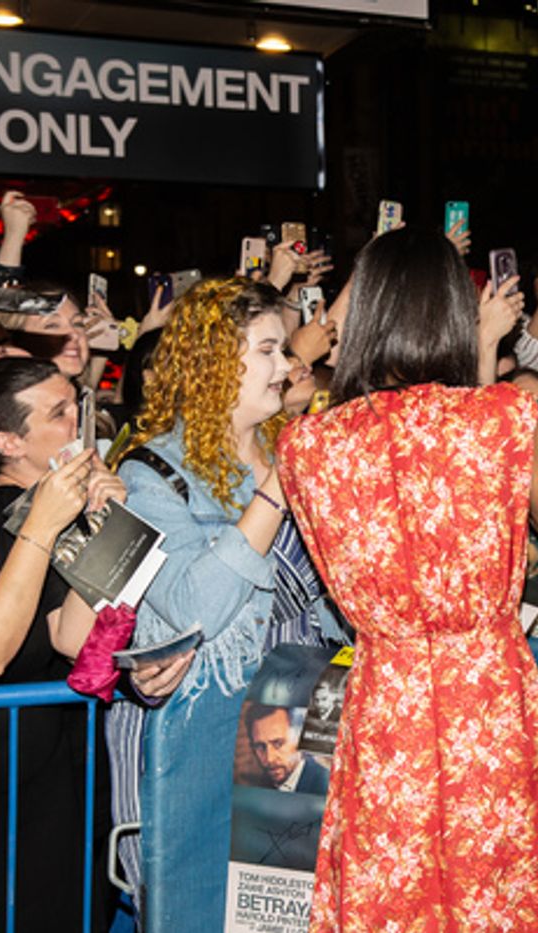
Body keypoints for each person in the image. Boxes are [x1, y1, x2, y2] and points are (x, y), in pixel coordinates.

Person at [276, 227, 538, 931]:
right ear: (456, 312)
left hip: (386, 701)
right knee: (503, 894)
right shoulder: (504, 416)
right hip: (488, 697)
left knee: (392, 895)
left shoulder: (307, 443)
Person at [116, 278, 341, 932]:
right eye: (268, 350)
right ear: (215, 361)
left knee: (292, 917)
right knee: (195, 912)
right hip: (202, 738)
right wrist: (273, 493)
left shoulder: (298, 451)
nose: (288, 366)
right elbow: (195, 607)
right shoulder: (149, 474)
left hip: (302, 720)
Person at [0, 358, 126, 933]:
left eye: (78, 409)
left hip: (41, 767)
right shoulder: (3, 514)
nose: (78, 427)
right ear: (8, 442)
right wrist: (46, 521)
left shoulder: (53, 513)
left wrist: (102, 525)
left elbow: (75, 636)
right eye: (60, 414)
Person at [243, 704, 329, 794]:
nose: (269, 758)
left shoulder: (324, 786)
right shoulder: (258, 785)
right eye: (260, 747)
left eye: (278, 743)